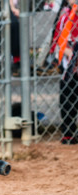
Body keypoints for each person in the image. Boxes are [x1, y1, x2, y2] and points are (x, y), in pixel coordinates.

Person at [49, 0, 78, 144]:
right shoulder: (66, 15)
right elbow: (59, 41)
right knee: (67, 95)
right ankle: (69, 132)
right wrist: (66, 51)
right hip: (70, 63)